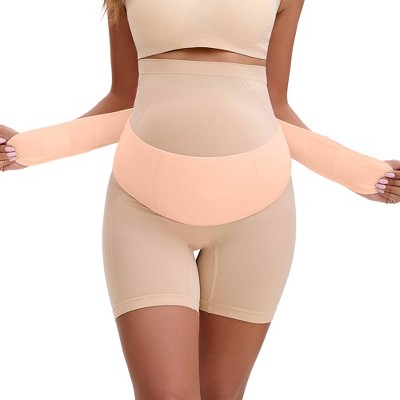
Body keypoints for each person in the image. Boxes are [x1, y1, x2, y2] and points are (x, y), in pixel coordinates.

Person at [1, 0, 399, 398]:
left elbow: (274, 103)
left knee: (220, 394)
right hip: (144, 209)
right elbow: (124, 96)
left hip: (258, 211)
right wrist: (28, 150)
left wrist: (362, 176)